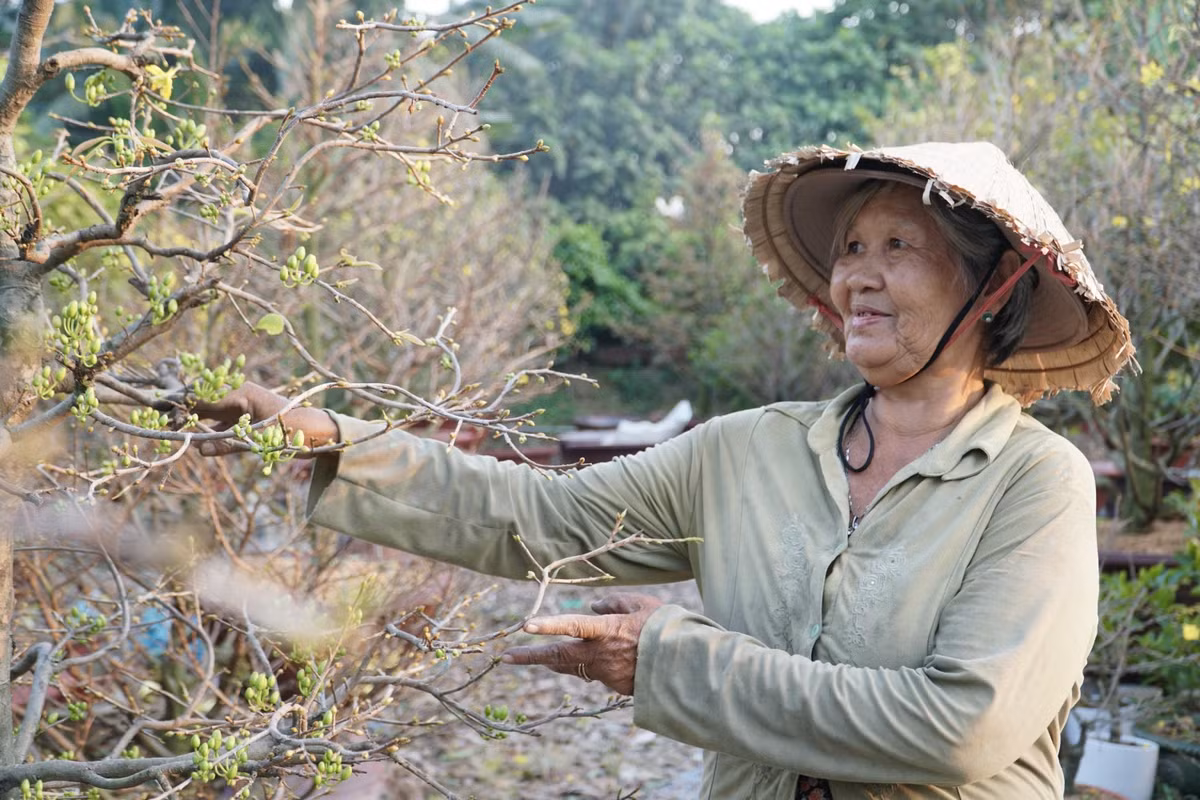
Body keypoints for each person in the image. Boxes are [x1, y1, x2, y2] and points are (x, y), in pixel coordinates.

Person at [199, 142, 1135, 799]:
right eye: (850, 249)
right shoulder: (747, 451)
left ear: (995, 285)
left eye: (899, 247)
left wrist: (671, 657)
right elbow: (545, 519)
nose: (858, 275)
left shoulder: (1035, 484)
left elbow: (961, 728)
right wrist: (330, 438)